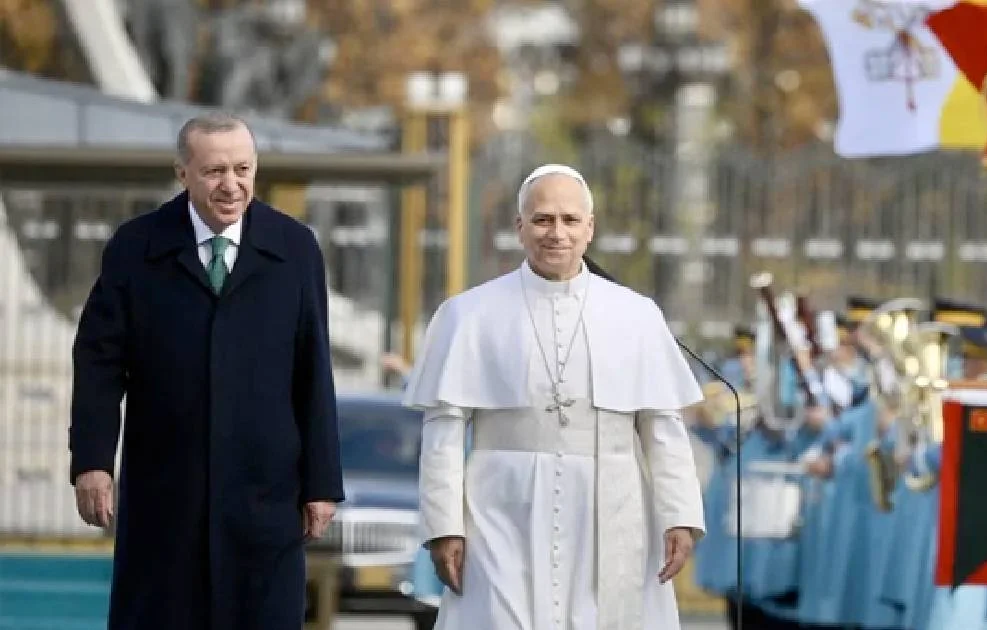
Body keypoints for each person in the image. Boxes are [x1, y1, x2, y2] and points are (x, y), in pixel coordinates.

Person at [69, 113, 344, 630]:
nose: (232, 184)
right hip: (165, 498)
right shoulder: (135, 247)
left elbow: (314, 369)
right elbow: (98, 363)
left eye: (243, 168)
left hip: (265, 503)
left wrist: (322, 483)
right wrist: (92, 462)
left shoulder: (295, 248)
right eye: (215, 171)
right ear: (183, 174)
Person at [405, 164, 706, 629]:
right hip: (501, 511)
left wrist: (681, 515)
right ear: (519, 228)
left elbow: (662, 427)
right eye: (543, 219)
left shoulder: (636, 314)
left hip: (613, 506)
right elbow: (443, 432)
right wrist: (444, 526)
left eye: (569, 220)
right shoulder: (468, 314)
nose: (556, 233)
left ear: (590, 229)